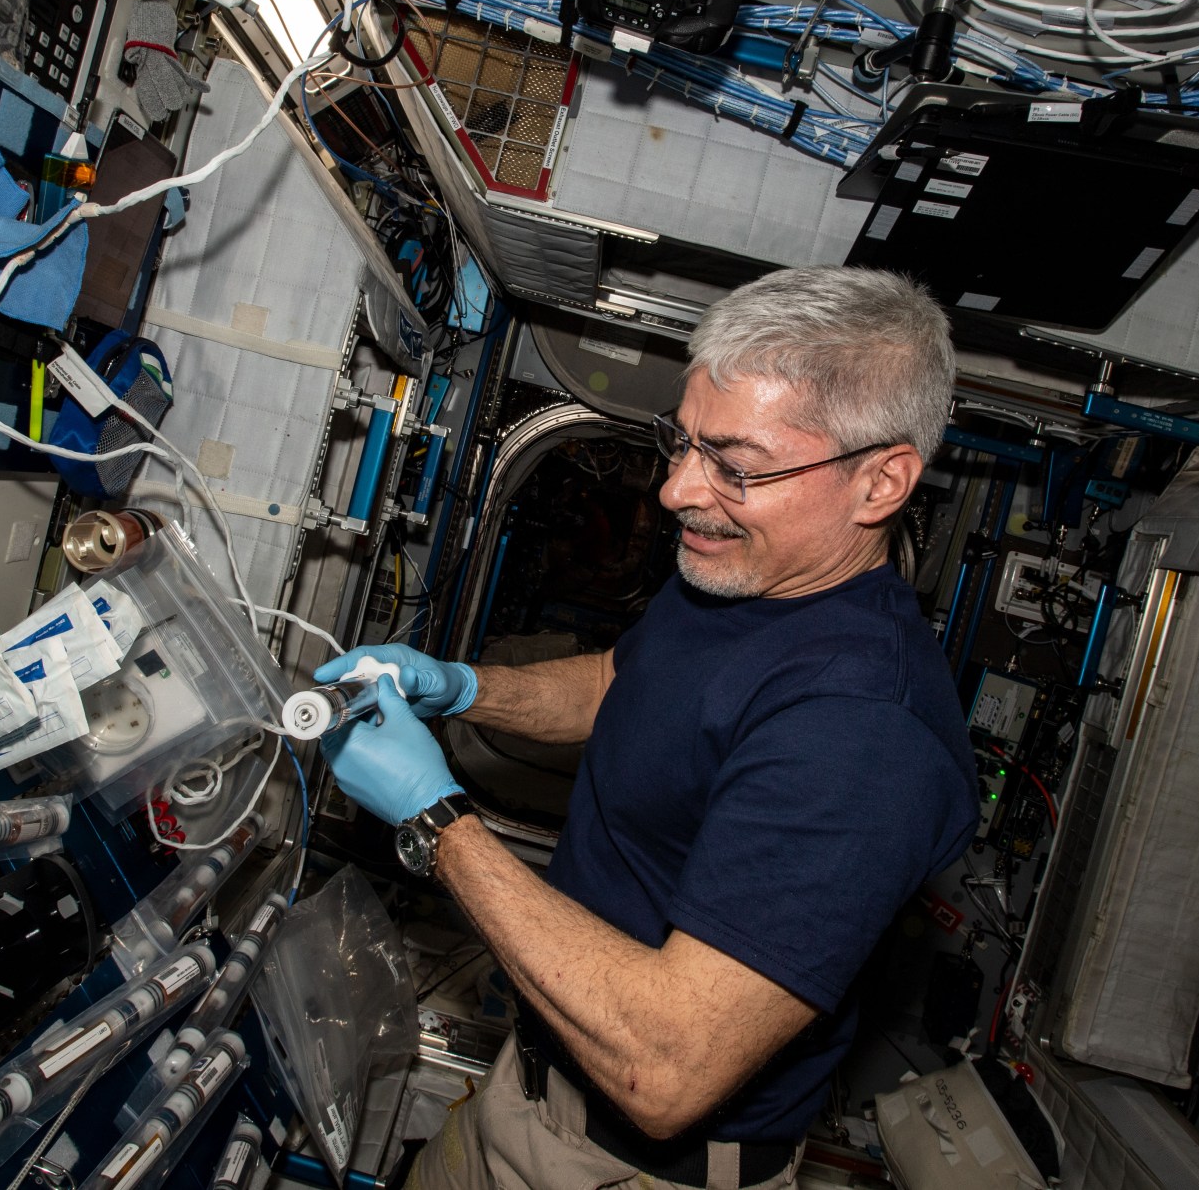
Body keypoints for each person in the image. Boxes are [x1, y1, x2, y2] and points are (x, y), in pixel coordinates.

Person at [318, 266, 977, 1190]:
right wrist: (464, 690)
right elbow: (619, 684)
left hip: (624, 1170)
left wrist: (435, 819)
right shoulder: (741, 573)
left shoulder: (863, 734)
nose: (675, 491)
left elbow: (664, 1070)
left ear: (880, 482)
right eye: (682, 441)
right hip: (531, 1085)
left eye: (734, 465)